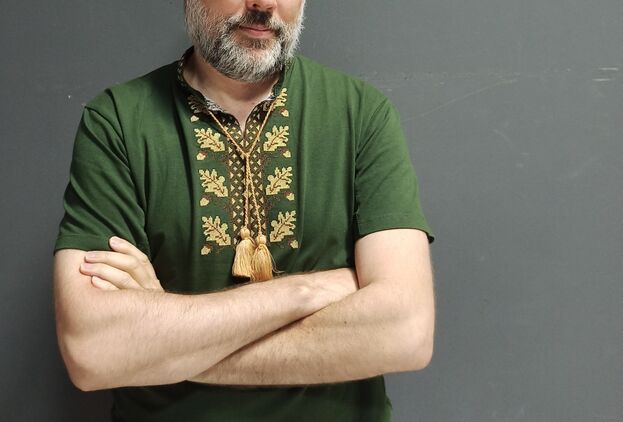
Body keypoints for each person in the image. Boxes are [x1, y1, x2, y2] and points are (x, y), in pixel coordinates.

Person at [52, 0, 435, 420]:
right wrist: (304, 292)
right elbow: (91, 352)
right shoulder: (117, 122)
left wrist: (165, 349)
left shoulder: (362, 114)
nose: (264, 3)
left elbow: (406, 333)